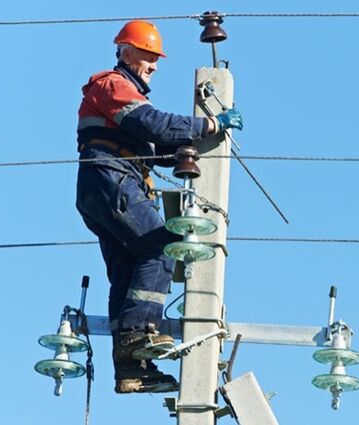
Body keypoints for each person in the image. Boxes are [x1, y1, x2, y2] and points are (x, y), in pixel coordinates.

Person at [74, 20, 243, 394]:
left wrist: (186, 146)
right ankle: (138, 335)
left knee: (128, 268)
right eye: (149, 56)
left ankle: (130, 368)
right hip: (112, 178)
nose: (154, 65)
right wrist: (210, 124)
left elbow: (155, 143)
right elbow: (154, 125)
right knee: (162, 245)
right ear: (125, 51)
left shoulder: (121, 97)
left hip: (105, 184)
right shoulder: (112, 85)